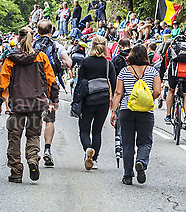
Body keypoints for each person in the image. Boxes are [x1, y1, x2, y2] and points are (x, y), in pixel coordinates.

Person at [0, 27, 59, 183]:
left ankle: (16, 172)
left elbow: (3, 82)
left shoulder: (10, 58)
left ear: (18, 38)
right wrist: (54, 99)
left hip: (17, 104)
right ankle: (32, 159)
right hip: (36, 104)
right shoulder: (41, 57)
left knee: (14, 137)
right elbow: (51, 80)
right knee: (33, 135)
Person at [110, 45, 160, 185]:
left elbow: (118, 93)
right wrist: (146, 99)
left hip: (126, 110)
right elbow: (157, 91)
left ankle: (127, 175)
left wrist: (114, 111)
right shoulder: (153, 71)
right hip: (146, 112)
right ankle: (141, 162)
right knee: (145, 141)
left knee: (127, 143)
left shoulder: (124, 71)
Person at [34, 20, 72, 166]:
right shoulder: (57, 46)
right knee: (49, 120)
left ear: (38, 31)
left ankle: (33, 150)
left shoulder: (32, 45)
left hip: (34, 86)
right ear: (51, 31)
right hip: (51, 86)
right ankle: (47, 149)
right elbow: (69, 63)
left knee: (35, 117)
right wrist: (58, 64)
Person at [77, 36, 116, 170]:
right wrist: (114, 104)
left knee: (84, 129)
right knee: (97, 130)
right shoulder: (108, 64)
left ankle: (88, 148)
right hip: (103, 101)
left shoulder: (85, 62)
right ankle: (95, 158)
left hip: (88, 100)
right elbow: (114, 84)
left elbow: (80, 81)